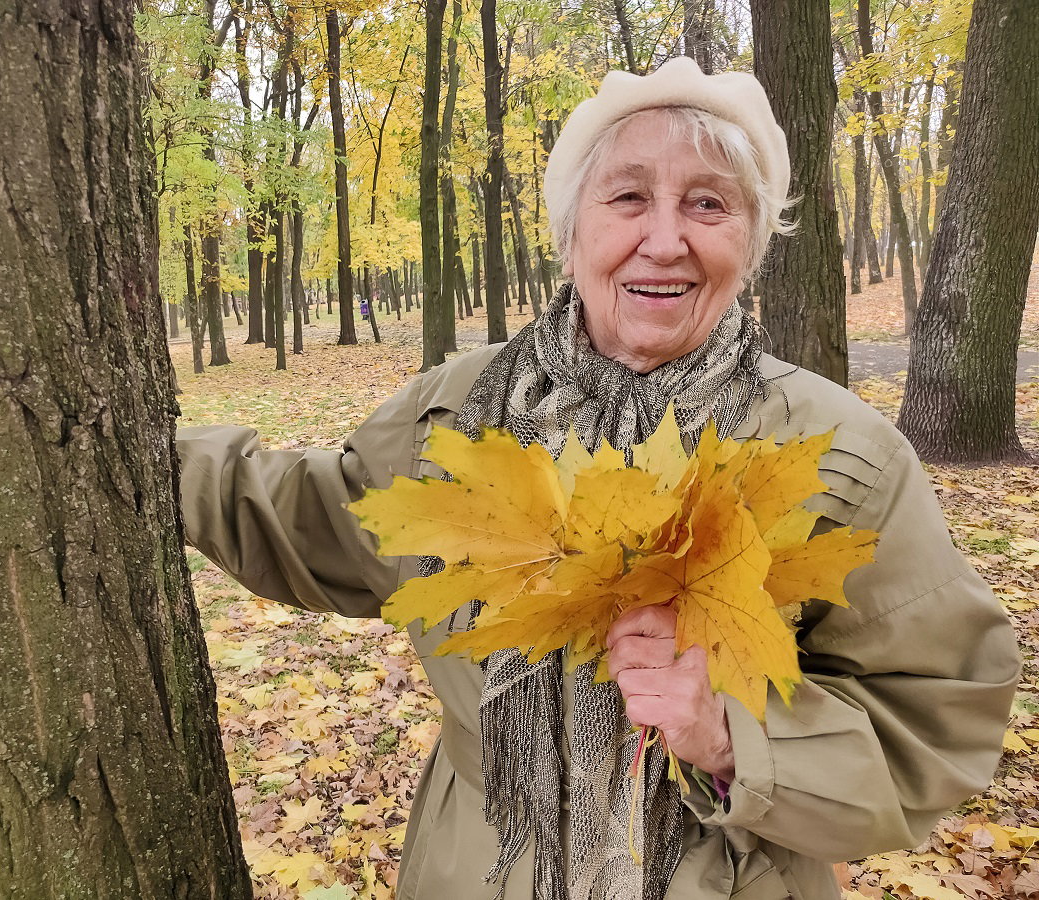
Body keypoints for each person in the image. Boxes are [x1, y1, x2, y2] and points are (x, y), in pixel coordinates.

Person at [176, 58, 1019, 900]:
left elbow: (936, 719)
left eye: (708, 203)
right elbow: (319, 523)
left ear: (750, 244)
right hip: (479, 869)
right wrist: (140, 457)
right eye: (626, 198)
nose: (664, 239)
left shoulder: (841, 455)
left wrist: (733, 737)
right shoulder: (459, 411)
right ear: (570, 230)